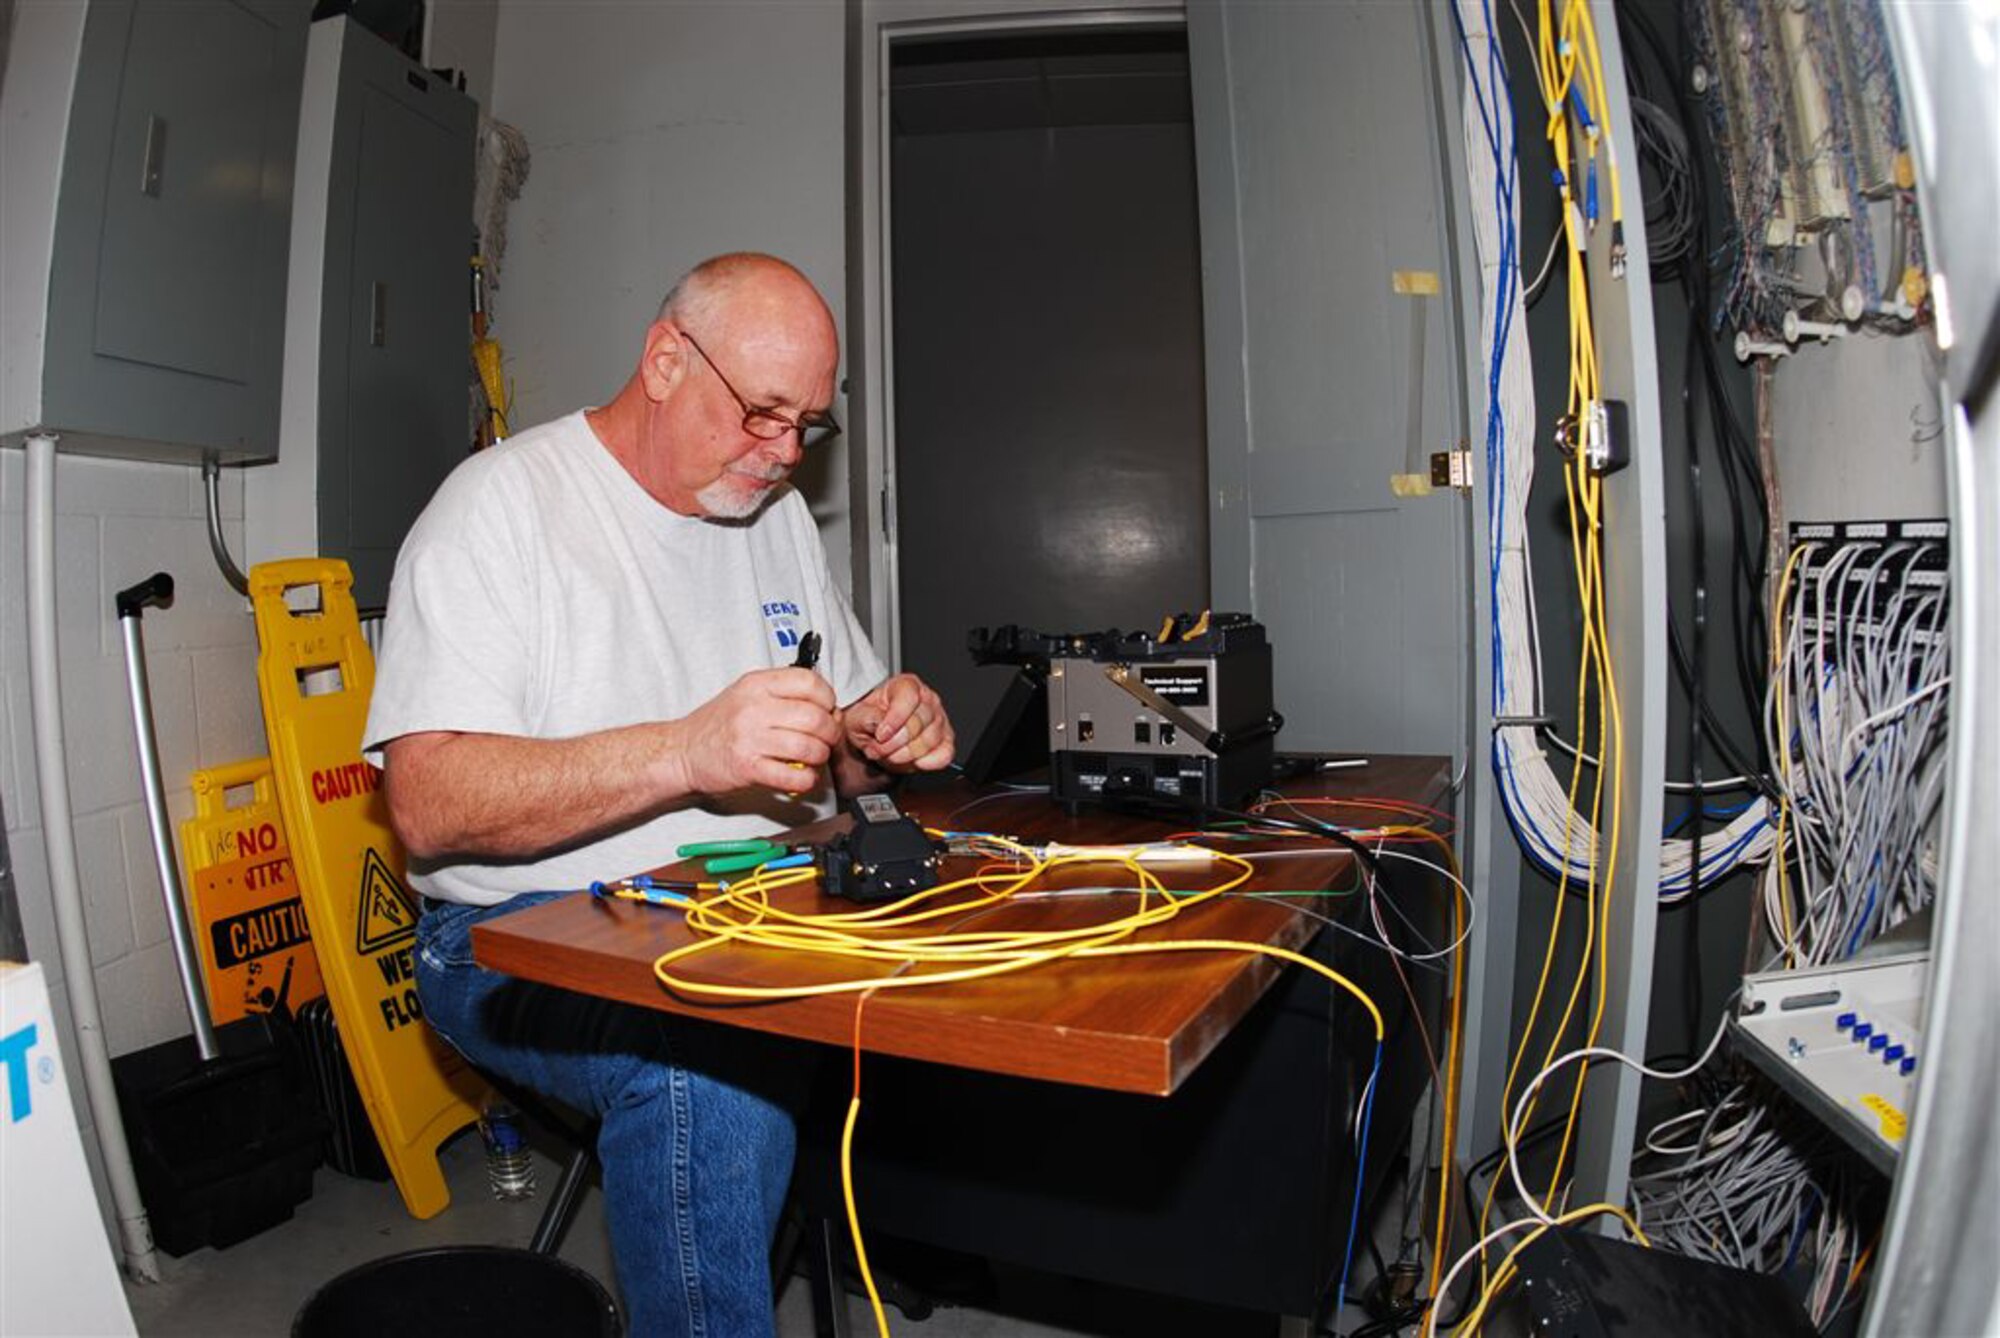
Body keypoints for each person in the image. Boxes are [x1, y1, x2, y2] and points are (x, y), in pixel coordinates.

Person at [363, 252, 956, 1337]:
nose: (781, 457)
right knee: (705, 1071)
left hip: (748, 899)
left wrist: (884, 738)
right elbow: (429, 803)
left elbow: (847, 767)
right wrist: (684, 751)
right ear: (667, 360)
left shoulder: (770, 521)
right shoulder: (501, 509)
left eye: (805, 427)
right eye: (761, 413)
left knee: (970, 970)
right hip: (511, 935)